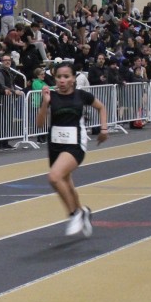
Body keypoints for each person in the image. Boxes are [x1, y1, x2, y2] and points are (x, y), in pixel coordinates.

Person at [36, 63, 108, 238]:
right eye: (59, 77)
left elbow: (101, 107)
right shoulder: (51, 96)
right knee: (66, 183)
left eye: (66, 76)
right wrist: (45, 103)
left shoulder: (81, 95)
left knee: (54, 177)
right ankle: (82, 211)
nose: (62, 80)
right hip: (55, 145)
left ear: (73, 78)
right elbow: (39, 124)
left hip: (75, 144)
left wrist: (104, 129)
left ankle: (75, 214)